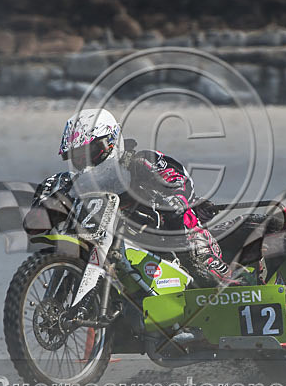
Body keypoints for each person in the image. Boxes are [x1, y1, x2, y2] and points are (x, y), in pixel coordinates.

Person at [51, 108, 244, 287]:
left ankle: (230, 279)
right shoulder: (76, 182)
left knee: (202, 266)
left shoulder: (139, 162)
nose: (85, 162)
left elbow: (179, 178)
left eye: (91, 152)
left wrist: (176, 197)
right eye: (77, 157)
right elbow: (36, 217)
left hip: (165, 238)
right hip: (110, 244)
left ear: (111, 141)